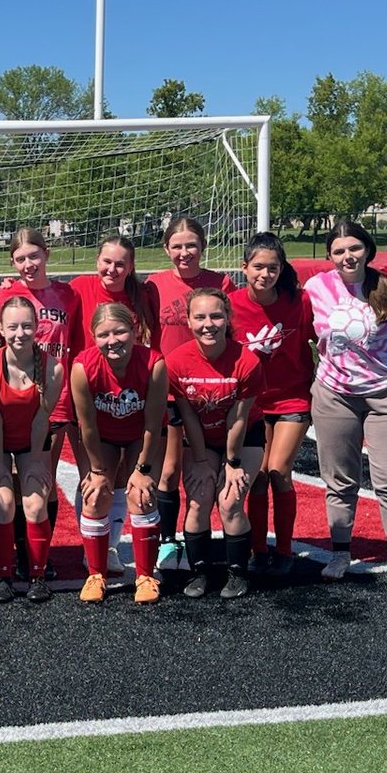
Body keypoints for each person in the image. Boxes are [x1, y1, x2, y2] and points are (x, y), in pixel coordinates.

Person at [305, 220, 387, 590]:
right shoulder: (315, 288)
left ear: (367, 250)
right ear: (329, 256)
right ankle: (341, 550)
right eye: (339, 251)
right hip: (334, 394)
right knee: (339, 480)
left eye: (354, 248)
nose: (347, 256)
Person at [148, 218, 237, 572]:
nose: (185, 252)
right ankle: (168, 543)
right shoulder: (154, 285)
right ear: (167, 249)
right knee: (168, 471)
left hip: (213, 389)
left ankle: (208, 537)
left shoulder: (220, 283)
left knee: (208, 471)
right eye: (178, 246)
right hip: (171, 388)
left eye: (191, 245)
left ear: (203, 246)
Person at [165, 288, 264, 599]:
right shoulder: (177, 361)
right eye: (200, 317)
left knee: (230, 500)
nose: (209, 324)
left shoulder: (247, 360)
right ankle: (200, 572)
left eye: (216, 316)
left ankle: (237, 574)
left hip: (243, 435)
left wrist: (232, 463)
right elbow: (187, 416)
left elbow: (239, 417)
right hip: (200, 438)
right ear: (189, 321)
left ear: (228, 319)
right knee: (199, 497)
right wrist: (202, 459)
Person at [71, 235, 161, 574]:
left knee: (130, 480)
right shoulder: (77, 287)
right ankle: (93, 552)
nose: (112, 268)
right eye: (106, 261)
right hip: (91, 395)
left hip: (134, 398)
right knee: (95, 477)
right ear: (96, 262)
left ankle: (111, 548)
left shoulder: (146, 294)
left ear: (132, 266)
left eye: (120, 263)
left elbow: (156, 340)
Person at [0, 228, 78, 580]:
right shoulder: (5, 296)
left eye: (34, 256)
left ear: (47, 254)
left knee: (42, 478)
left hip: (52, 393)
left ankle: (39, 558)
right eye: (20, 258)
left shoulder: (66, 294)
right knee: (14, 482)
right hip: (15, 396)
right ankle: (16, 554)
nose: (29, 264)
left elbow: (75, 341)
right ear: (12, 262)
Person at [70, 303, 167, 604]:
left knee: (141, 494)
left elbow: (153, 423)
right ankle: (96, 574)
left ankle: (145, 576)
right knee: (96, 494)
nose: (113, 340)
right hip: (105, 438)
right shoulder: (82, 367)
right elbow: (87, 427)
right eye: (104, 334)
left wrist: (143, 469)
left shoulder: (154, 362)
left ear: (135, 330)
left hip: (143, 436)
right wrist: (97, 471)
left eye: (120, 331)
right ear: (93, 337)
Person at [230, 232, 314, 577]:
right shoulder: (231, 303)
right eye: (259, 267)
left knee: (278, 470)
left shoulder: (299, 301)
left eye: (273, 268)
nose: (265, 274)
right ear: (244, 267)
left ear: (282, 270)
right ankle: (258, 548)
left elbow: (318, 338)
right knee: (257, 477)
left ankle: (284, 549)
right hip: (252, 403)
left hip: (292, 397)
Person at [0, 296, 65, 604]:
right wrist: (0, 463)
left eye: (27, 326)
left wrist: (39, 463)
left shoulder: (53, 369)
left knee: (36, 504)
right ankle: (2, 576)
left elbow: (41, 422)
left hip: (31, 441)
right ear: (0, 328)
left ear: (37, 328)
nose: (20, 333)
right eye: (12, 326)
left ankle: (37, 575)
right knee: (3, 503)